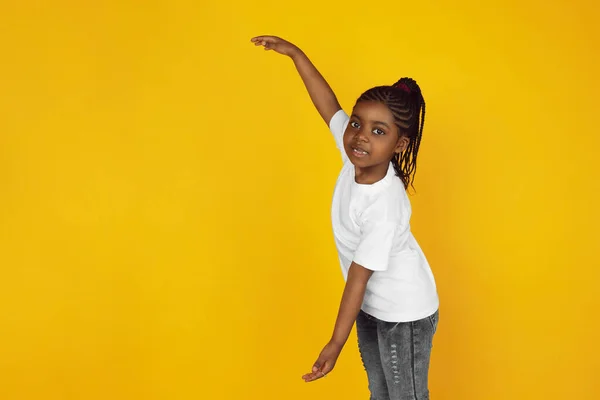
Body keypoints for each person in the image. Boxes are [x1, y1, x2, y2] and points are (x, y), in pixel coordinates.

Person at [251, 35, 440, 400]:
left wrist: (335, 344)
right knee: (379, 392)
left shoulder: (385, 204)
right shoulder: (354, 153)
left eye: (378, 131)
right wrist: (296, 54)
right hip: (370, 307)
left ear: (399, 145)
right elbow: (328, 105)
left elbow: (357, 276)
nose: (360, 137)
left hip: (404, 315)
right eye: (357, 124)